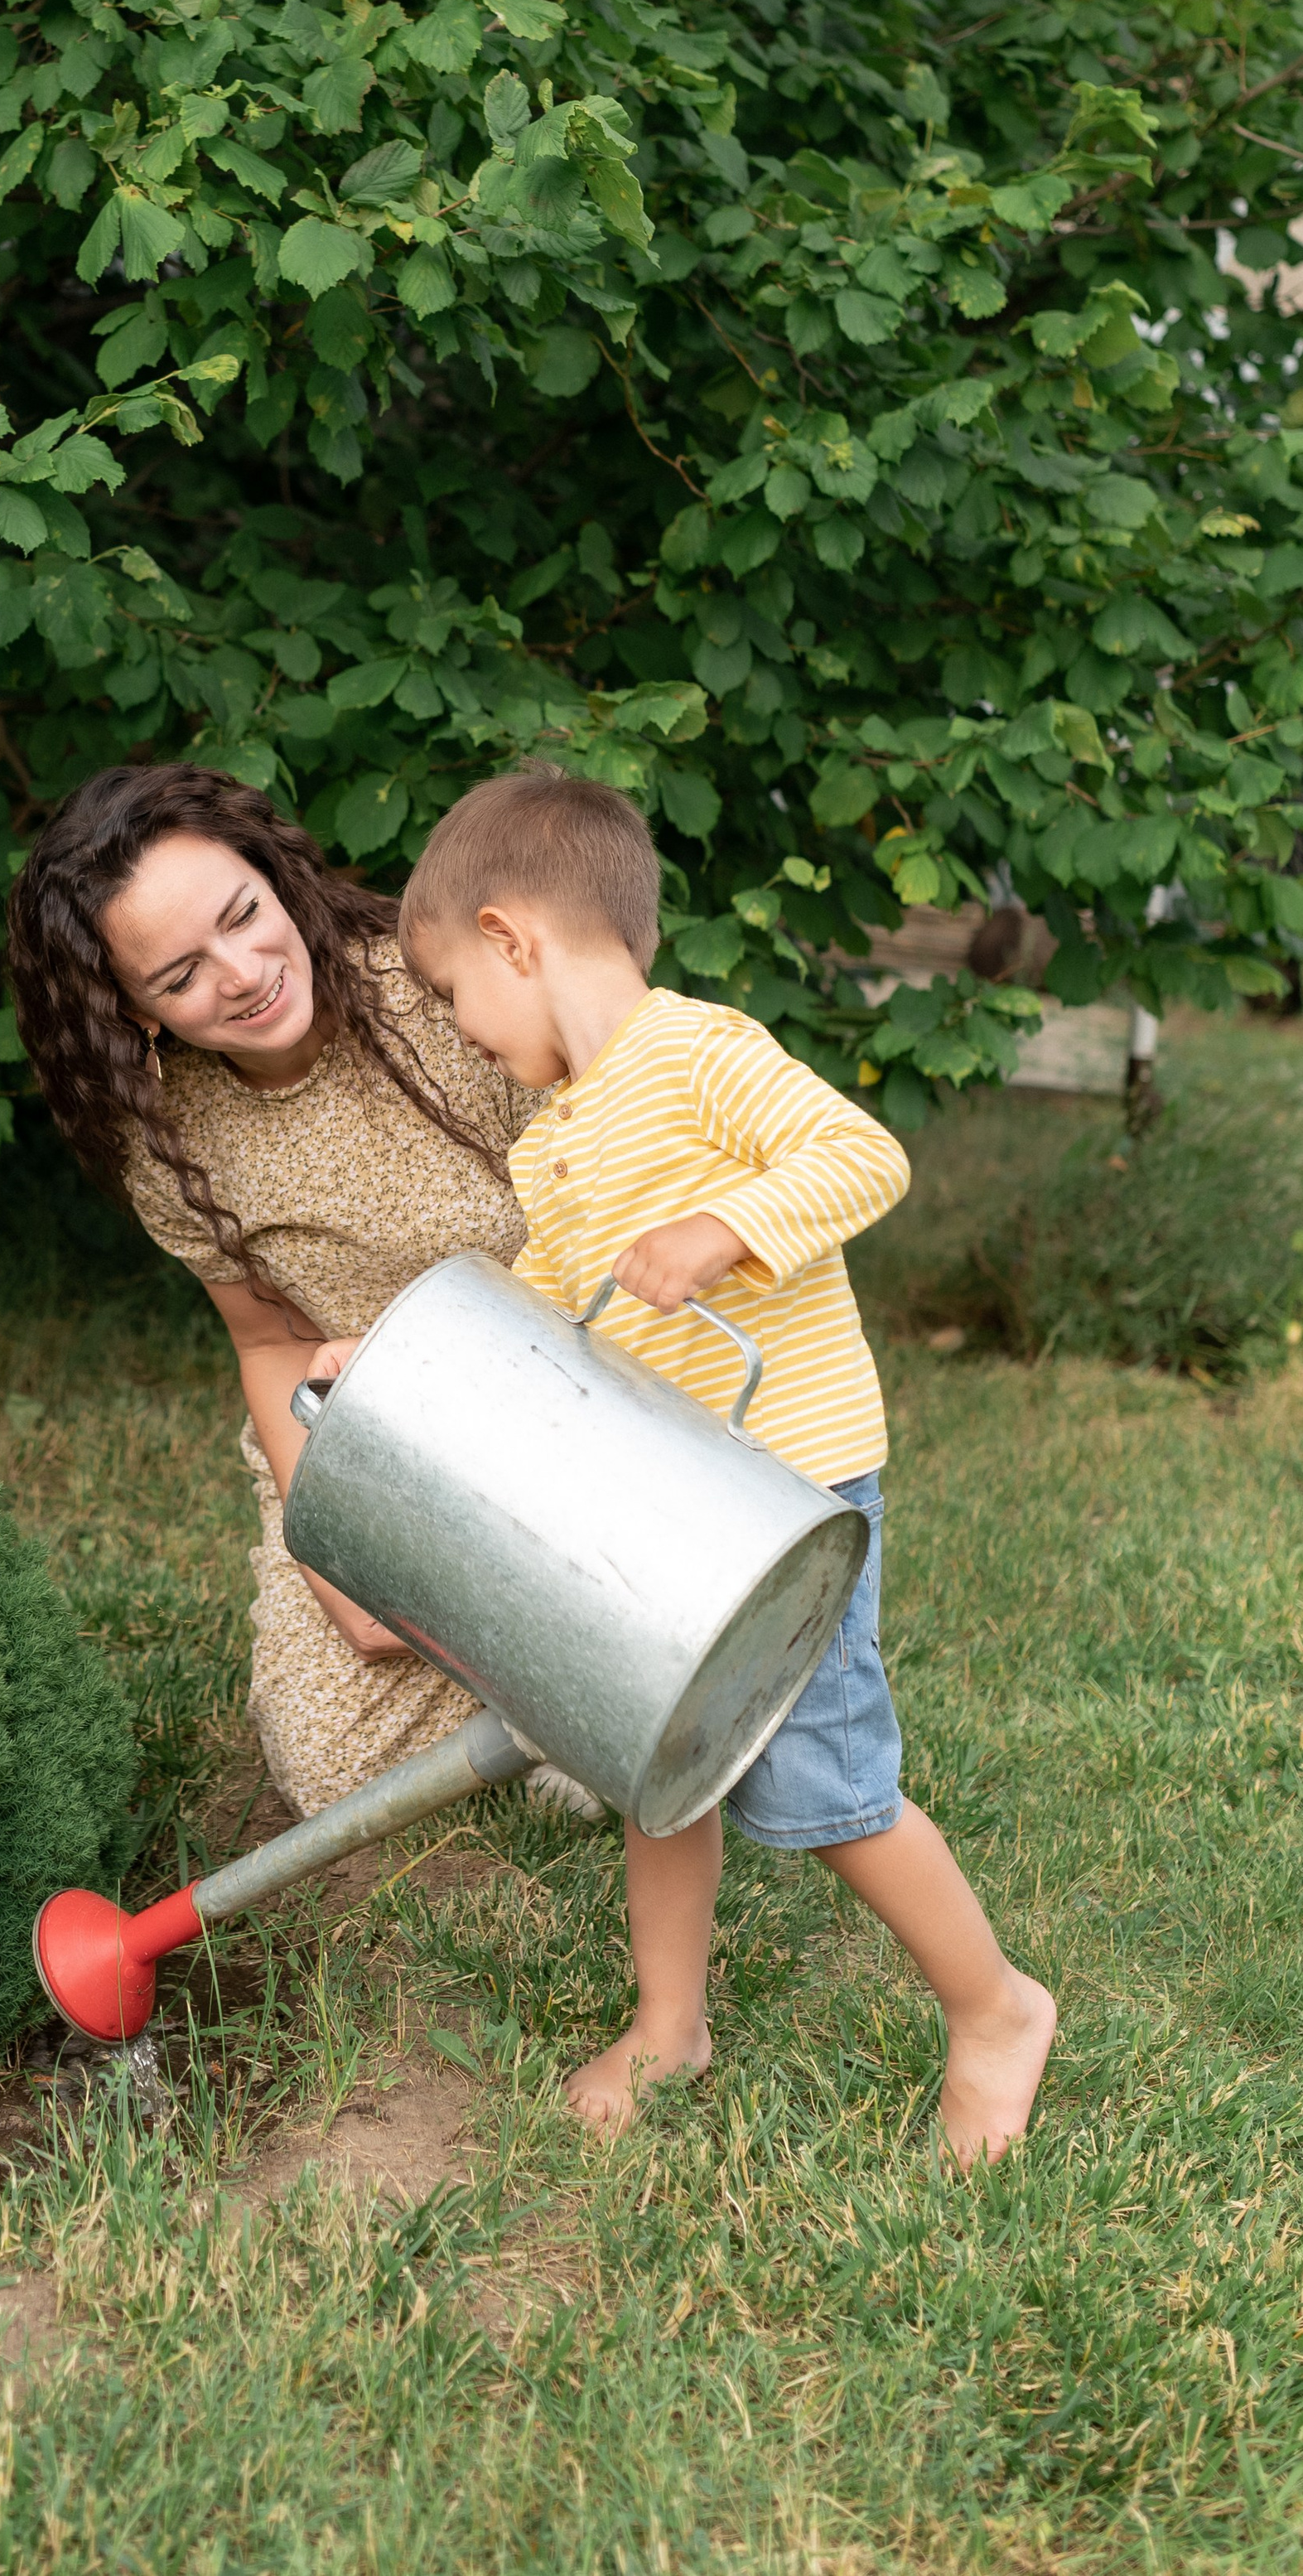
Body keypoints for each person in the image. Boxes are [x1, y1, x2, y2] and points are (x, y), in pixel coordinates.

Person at [311, 766, 1056, 2170]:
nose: (468, 1036)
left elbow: (860, 1154)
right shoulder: (562, 1137)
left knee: (824, 1790)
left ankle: (998, 2006)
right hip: (668, 1510)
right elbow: (549, 1311)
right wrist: (403, 1356)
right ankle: (671, 2028)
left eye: (460, 995)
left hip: (786, 1502)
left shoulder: (700, 1052)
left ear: (514, 937)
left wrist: (725, 1226)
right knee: (653, 1750)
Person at [7, 760, 595, 1820]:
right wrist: (330, 1546)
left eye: (243, 914)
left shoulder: (446, 993)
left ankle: (574, 1681)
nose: (240, 972)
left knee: (604, 1656)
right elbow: (271, 1340)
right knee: (333, 1773)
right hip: (374, 1439)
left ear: (279, 877)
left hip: (579, 1397)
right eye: (180, 975)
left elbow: (605, 1244)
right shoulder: (166, 1137)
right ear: (132, 1013)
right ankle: (552, 1688)